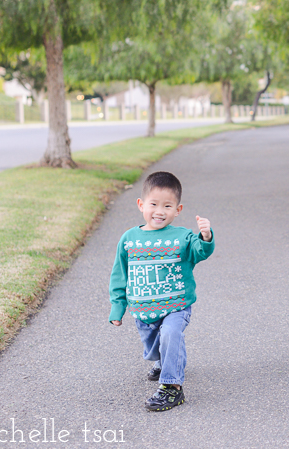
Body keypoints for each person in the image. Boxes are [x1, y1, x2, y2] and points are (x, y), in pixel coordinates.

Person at [109, 171, 215, 412]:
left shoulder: (182, 237)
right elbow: (120, 274)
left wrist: (205, 236)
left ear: (177, 210)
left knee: (170, 334)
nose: (159, 211)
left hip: (176, 304)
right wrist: (118, 307)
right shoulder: (129, 239)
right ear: (141, 204)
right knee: (154, 346)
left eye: (167, 206)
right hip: (143, 309)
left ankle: (172, 388)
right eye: (154, 204)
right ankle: (165, 361)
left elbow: (200, 251)